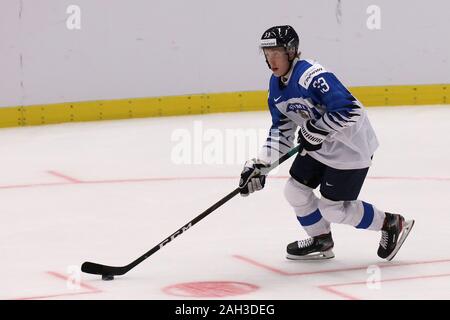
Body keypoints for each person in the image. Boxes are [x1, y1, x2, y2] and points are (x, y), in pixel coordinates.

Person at [238, 25, 414, 261]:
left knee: (332, 209)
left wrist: (316, 130)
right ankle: (321, 239)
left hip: (351, 147)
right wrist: (260, 165)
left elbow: (348, 109)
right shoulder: (275, 86)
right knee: (295, 191)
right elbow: (282, 130)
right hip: (321, 145)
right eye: (267, 55)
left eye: (277, 53)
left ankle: (391, 223)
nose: (272, 60)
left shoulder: (311, 75)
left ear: (291, 51)